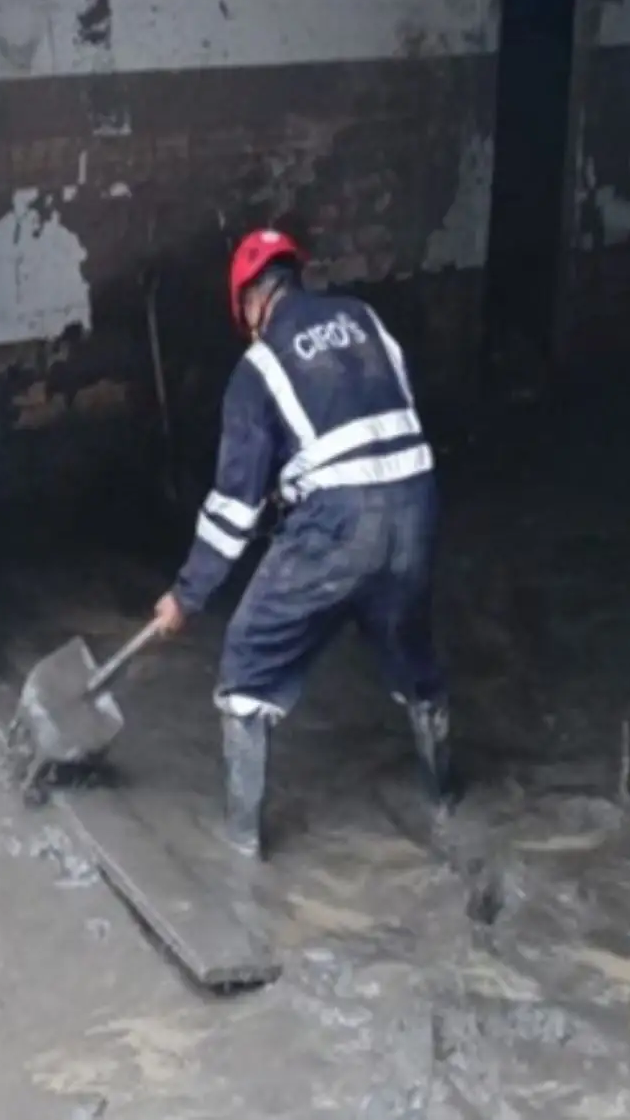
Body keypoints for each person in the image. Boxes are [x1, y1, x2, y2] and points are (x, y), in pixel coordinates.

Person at [148, 229, 451, 860]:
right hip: (417, 505)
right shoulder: (365, 319)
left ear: (249, 304)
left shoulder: (257, 368)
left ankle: (240, 846)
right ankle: (445, 799)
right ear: (293, 278)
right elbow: (380, 416)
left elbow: (233, 507)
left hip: (340, 523)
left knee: (247, 661)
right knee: (408, 647)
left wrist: (186, 594)